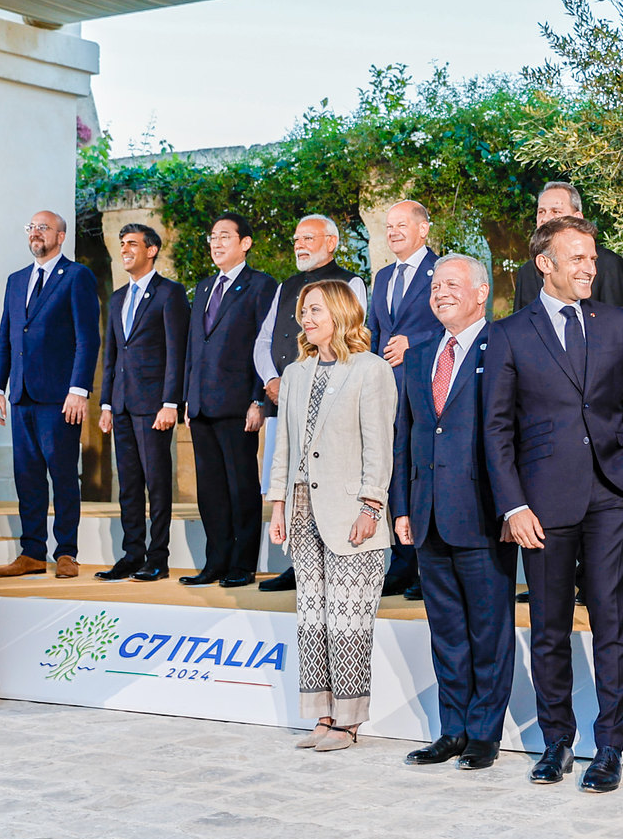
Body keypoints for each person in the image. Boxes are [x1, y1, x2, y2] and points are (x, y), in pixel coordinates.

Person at [486, 216, 623, 792]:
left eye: (592, 258)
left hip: (613, 496)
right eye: (578, 259)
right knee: (549, 627)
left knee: (614, 622)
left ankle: (610, 745)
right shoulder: (509, 333)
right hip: (542, 504)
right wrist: (513, 506)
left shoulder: (613, 322)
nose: (590, 268)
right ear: (546, 264)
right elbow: (497, 429)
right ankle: (557, 739)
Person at [391, 254, 512, 771]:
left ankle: (485, 733)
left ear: (481, 292)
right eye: (436, 285)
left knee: (488, 629)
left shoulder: (504, 345)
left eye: (452, 284)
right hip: (427, 513)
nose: (440, 292)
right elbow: (406, 435)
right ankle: (453, 730)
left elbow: (511, 434)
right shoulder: (418, 356)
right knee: (446, 631)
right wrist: (402, 505)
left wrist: (512, 506)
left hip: (483, 512)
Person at [264, 281, 397, 752]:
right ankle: (321, 711)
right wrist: (277, 505)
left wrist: (371, 506)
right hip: (301, 508)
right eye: (303, 311)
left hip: (351, 512)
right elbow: (284, 447)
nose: (306, 318)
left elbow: (380, 446)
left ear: (340, 312)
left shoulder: (371, 370)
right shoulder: (295, 373)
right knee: (312, 617)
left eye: (315, 310)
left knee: (349, 619)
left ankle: (350, 718)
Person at [251, 215, 365, 592]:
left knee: (325, 484)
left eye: (308, 238)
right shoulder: (285, 286)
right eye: (296, 238)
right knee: (289, 484)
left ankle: (331, 560)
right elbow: (264, 340)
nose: (299, 244)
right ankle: (297, 564)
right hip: (285, 402)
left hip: (333, 408)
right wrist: (271, 380)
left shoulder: (350, 283)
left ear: (331, 242)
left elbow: (356, 338)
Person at [0, 210, 101, 580]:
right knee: (28, 477)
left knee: (63, 474)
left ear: (61, 236)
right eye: (31, 228)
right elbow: (6, 338)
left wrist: (78, 390)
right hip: (20, 395)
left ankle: (66, 552)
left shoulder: (77, 276)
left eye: (43, 228)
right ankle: (32, 552)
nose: (36, 233)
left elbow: (88, 337)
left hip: (59, 397)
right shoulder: (16, 280)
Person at [182, 213, 278, 587]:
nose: (216, 242)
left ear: (245, 243)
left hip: (239, 405)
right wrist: (189, 398)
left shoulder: (261, 286)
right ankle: (215, 562)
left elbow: (264, 345)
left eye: (225, 236)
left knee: (241, 487)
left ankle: (242, 564)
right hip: (202, 404)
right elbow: (195, 346)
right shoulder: (204, 287)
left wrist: (258, 400)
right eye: (212, 236)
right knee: (210, 490)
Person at [96, 223, 189, 583]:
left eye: (132, 243)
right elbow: (112, 354)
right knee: (129, 484)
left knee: (157, 482)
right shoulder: (117, 298)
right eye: (122, 244)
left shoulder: (170, 294)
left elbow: (176, 352)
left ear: (151, 250)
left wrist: (171, 402)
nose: (125, 249)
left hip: (154, 407)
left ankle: (158, 557)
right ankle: (131, 554)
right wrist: (105, 404)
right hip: (120, 405)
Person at [369, 200, 439, 601]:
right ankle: (400, 560)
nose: (393, 231)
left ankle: (423, 565)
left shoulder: (441, 272)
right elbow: (375, 334)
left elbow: (460, 325)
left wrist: (415, 343)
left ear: (423, 229)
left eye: (402, 225)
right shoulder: (382, 277)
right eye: (389, 225)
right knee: (393, 467)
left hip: (426, 390)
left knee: (418, 469)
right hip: (386, 392)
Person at [511, 181, 623, 313]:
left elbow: (616, 326)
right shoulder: (527, 271)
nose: (545, 218)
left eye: (556, 211)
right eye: (541, 212)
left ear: (578, 218)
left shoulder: (609, 264)